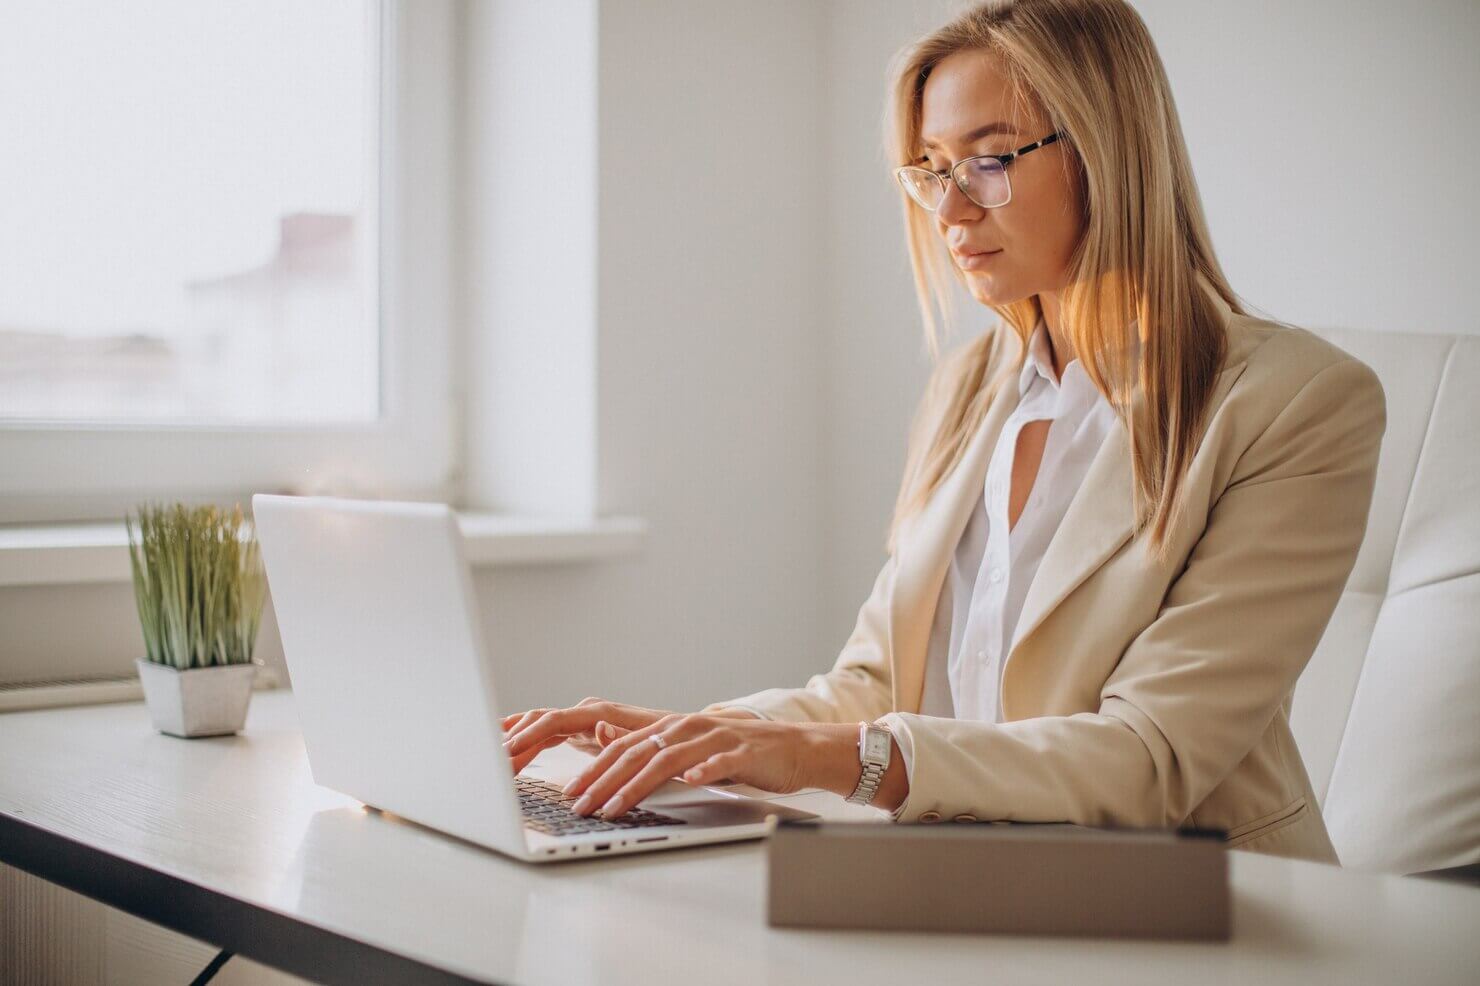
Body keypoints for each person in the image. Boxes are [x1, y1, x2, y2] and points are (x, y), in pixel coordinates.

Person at [501, 0, 1385, 864]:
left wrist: (831, 758)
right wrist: (687, 737)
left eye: (989, 161)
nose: (951, 211)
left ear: (1109, 155)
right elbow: (877, 684)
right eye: (931, 170)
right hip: (977, 884)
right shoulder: (968, 389)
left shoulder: (1295, 404)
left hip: (1203, 908)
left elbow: (1149, 756)